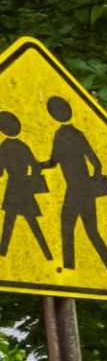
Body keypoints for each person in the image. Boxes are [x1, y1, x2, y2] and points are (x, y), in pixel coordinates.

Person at [43, 94, 107, 277]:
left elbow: (55, 162)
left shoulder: (66, 135)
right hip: (80, 188)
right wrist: (92, 182)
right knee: (88, 230)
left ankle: (71, 268)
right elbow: (95, 163)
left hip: (77, 189)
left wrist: (35, 165)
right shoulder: (69, 134)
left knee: (71, 227)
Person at [0, 111, 44, 266]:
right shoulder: (23, 146)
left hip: (13, 187)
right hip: (24, 187)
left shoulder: (4, 147)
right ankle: (47, 253)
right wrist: (32, 180)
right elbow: (35, 166)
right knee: (31, 222)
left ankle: (3, 251)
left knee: (9, 221)